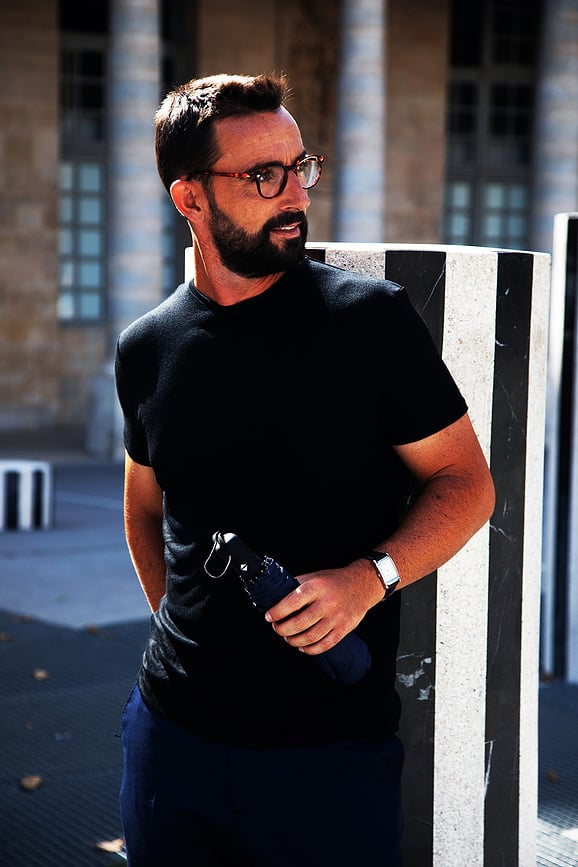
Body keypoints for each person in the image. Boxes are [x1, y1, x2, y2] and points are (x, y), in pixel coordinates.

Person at [115, 72, 495, 867]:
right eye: (264, 175)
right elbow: (145, 506)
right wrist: (180, 631)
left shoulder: (370, 320)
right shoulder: (145, 347)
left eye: (300, 167)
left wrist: (368, 578)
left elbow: (467, 484)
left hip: (328, 757)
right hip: (169, 742)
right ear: (190, 198)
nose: (295, 195)